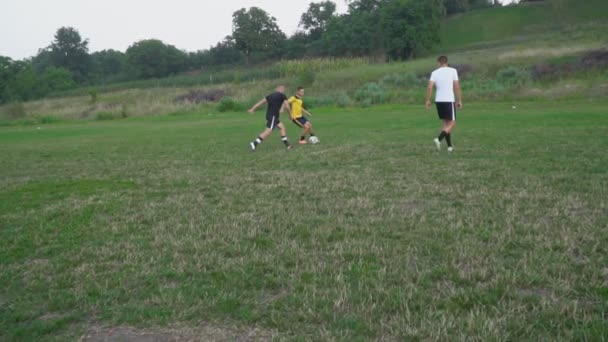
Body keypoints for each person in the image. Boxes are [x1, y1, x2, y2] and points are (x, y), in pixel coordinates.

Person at [426, 55, 462, 152]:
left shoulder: (434, 73)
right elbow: (457, 86)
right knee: (452, 123)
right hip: (449, 100)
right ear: (446, 62)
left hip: (439, 101)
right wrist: (459, 100)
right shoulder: (453, 71)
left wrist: (428, 100)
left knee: (446, 124)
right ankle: (439, 139)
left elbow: (429, 87)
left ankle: (449, 147)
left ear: (439, 62)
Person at [248, 85, 293, 151]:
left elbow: (260, 103)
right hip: (273, 117)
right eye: (283, 89)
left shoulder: (270, 96)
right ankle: (254, 143)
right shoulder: (282, 95)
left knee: (282, 127)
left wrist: (253, 109)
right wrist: (290, 115)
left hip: (269, 115)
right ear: (281, 89)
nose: (284, 90)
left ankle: (287, 145)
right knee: (268, 131)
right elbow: (287, 106)